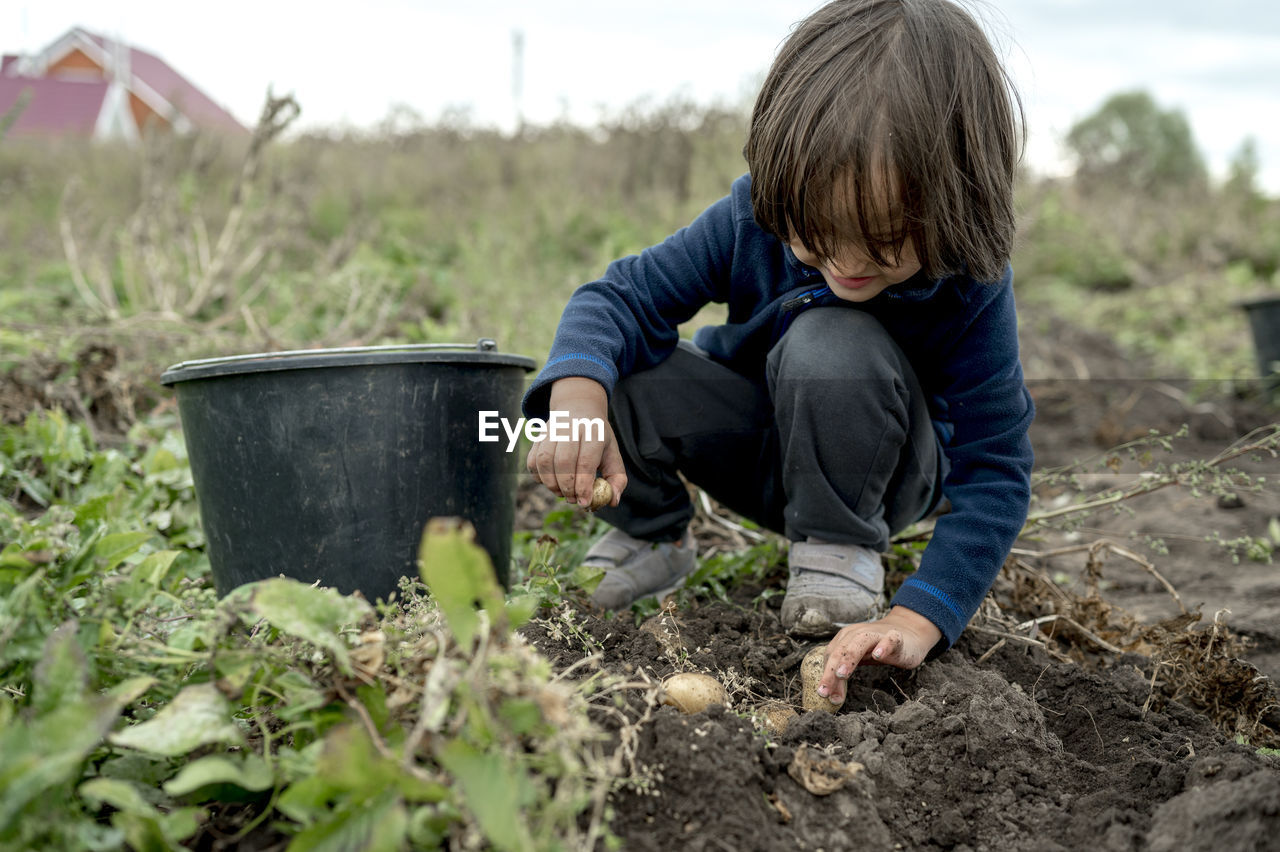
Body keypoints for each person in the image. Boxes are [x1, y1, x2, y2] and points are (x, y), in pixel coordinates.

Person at [522, 0, 1034, 708]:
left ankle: (837, 550)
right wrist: (577, 397)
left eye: (884, 240)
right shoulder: (751, 216)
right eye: (815, 234)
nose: (847, 264)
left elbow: (996, 469)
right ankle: (652, 537)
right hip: (763, 448)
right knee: (621, 367)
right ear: (779, 184)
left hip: (879, 472)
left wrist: (921, 615)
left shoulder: (971, 286)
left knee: (834, 337)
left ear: (956, 202)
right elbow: (617, 298)